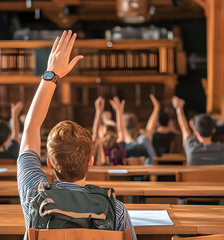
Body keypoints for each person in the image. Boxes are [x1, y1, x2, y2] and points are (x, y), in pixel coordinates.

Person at [17, 30, 135, 239]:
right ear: (90, 161)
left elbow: (30, 127)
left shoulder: (34, 197)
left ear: (50, 163)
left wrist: (51, 74)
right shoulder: (116, 210)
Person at [92, 96, 127, 165]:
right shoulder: (117, 144)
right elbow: (121, 133)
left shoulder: (98, 144)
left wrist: (98, 111)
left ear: (101, 133)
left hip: (100, 175)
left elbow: (95, 134)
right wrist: (118, 112)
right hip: (118, 175)